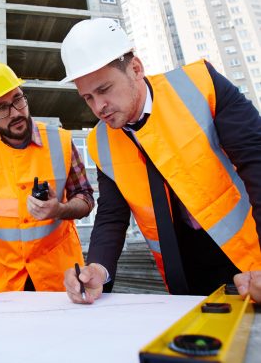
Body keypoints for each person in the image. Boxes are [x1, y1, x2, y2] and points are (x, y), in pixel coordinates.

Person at [60, 18, 261, 303]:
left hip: (252, 254)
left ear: (136, 69)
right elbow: (111, 214)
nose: (98, 107)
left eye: (104, 90)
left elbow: (256, 163)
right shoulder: (100, 142)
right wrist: (98, 269)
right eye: (87, 97)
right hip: (186, 273)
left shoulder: (202, 84)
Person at [0, 62, 94, 302]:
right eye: (1, 109)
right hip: (9, 283)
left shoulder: (62, 141)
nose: (15, 112)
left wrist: (61, 209)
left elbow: (85, 198)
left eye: (17, 99)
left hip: (63, 281)